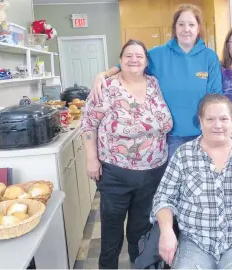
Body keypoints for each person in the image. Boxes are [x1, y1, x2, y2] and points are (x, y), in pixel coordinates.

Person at [151, 94, 232, 269]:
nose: (217, 125)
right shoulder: (183, 154)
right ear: (200, 121)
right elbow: (163, 198)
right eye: (210, 119)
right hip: (194, 242)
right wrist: (167, 231)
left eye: (223, 118)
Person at [80, 39, 173, 269]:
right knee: (112, 229)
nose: (134, 60)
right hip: (115, 173)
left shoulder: (153, 83)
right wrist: (92, 159)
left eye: (139, 56)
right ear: (120, 61)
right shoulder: (107, 87)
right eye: (128, 55)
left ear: (146, 61)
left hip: (153, 172)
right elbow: (88, 124)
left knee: (140, 227)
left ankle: (138, 263)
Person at [89, 4, 222, 158]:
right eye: (181, 24)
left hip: (203, 135)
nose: (186, 29)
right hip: (170, 137)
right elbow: (128, 65)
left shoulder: (209, 57)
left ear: (198, 28)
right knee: (174, 182)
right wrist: (104, 75)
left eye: (191, 24)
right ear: (175, 28)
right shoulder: (158, 54)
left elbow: (215, 97)